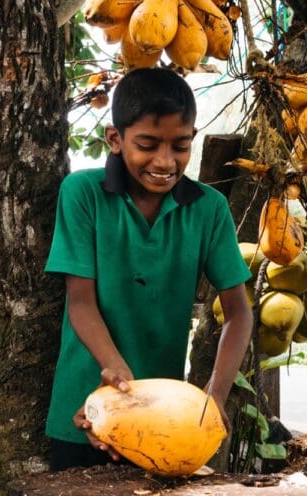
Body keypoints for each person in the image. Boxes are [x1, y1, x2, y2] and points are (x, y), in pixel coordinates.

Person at [44, 67, 254, 471]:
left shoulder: (209, 209)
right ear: (115, 139)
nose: (165, 161)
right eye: (148, 144)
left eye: (180, 146)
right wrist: (115, 371)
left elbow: (239, 313)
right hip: (84, 409)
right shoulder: (82, 193)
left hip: (165, 421)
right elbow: (81, 303)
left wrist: (215, 395)